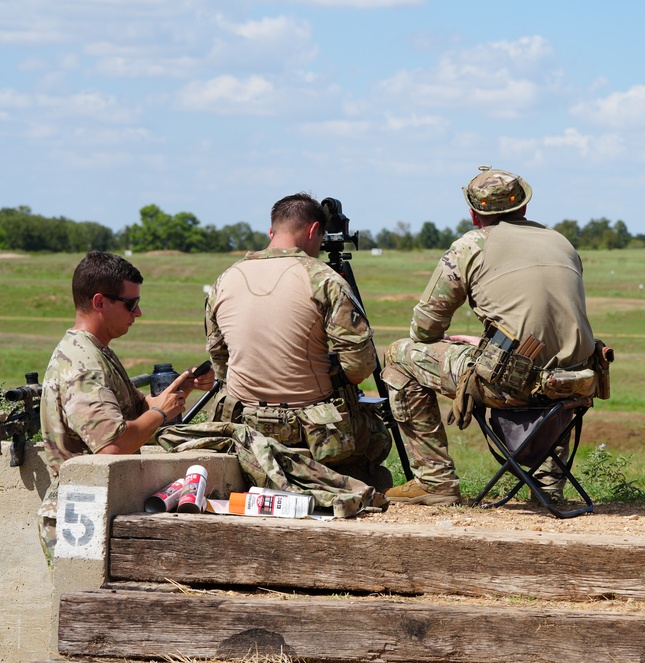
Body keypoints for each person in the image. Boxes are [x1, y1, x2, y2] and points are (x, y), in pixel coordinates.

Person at [382, 166, 606, 506]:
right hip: (573, 385)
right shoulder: (560, 242)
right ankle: (547, 485)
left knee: (399, 354)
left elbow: (425, 330)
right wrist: (485, 344)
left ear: (474, 214)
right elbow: (548, 322)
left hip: (510, 386)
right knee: (552, 364)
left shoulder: (470, 246)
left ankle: (435, 481)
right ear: (525, 208)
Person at [202, 192, 392, 500]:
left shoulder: (225, 279)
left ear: (271, 232)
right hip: (313, 431)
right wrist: (331, 374)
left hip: (245, 426)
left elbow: (220, 361)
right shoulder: (323, 279)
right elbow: (360, 367)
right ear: (315, 230)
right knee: (379, 437)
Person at [38, 250, 214, 563]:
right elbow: (112, 446)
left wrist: (174, 394)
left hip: (97, 502)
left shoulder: (95, 352)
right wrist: (160, 414)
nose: (139, 312)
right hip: (80, 512)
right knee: (84, 609)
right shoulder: (84, 365)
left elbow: (134, 412)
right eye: (131, 304)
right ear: (99, 302)